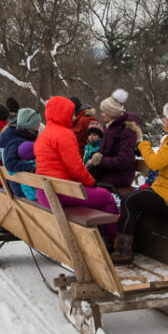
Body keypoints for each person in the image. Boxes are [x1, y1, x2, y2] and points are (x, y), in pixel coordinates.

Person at [111, 100, 168, 264]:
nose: (162, 119)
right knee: (137, 199)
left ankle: (123, 251)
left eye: (165, 116)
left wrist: (143, 145)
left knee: (128, 201)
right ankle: (135, 244)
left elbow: (155, 163)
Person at [33, 96, 119, 241]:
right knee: (106, 197)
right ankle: (114, 240)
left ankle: (101, 237)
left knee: (95, 195)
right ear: (62, 113)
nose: (73, 117)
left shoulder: (44, 134)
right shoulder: (64, 134)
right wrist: (92, 182)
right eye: (71, 113)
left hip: (45, 192)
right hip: (60, 193)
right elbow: (76, 168)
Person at [86, 90, 138, 190]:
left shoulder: (127, 131)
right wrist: (95, 155)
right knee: (82, 180)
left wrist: (100, 161)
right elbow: (103, 151)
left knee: (88, 186)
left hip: (120, 175)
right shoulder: (108, 127)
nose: (102, 114)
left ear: (111, 113)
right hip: (106, 171)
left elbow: (123, 161)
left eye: (104, 112)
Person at [0, 107, 42, 199]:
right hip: (22, 190)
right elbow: (9, 163)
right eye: (37, 124)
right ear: (30, 126)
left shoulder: (21, 135)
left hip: (23, 185)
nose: (39, 126)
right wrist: (30, 168)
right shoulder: (16, 142)